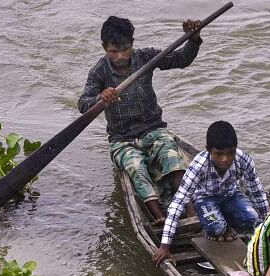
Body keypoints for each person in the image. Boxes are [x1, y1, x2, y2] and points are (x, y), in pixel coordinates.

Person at [78, 15, 203, 228]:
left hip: (153, 129)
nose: (120, 56)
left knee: (172, 157)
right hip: (122, 139)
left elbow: (181, 60)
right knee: (136, 167)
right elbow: (83, 104)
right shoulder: (99, 72)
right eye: (113, 51)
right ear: (104, 48)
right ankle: (159, 217)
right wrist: (101, 97)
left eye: (125, 49)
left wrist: (193, 39)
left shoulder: (145, 57)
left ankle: (191, 213)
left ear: (132, 44)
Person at [152, 121, 270, 266]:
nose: (225, 159)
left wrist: (268, 224)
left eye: (230, 153)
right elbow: (178, 203)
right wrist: (165, 246)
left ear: (235, 149)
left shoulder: (243, 160)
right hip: (205, 199)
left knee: (253, 220)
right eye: (219, 154)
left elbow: (257, 193)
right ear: (208, 150)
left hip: (231, 195)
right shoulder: (199, 165)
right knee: (217, 228)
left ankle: (226, 219)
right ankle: (222, 226)